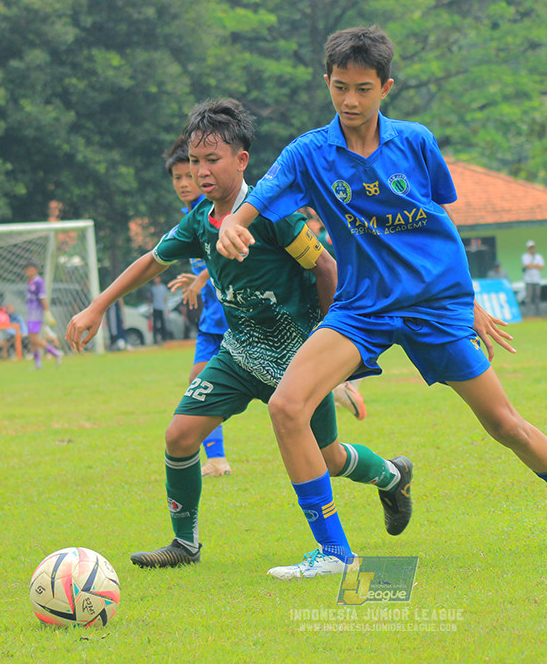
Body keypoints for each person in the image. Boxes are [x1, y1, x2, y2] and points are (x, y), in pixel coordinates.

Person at [217, 25, 547, 580]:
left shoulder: (416, 142)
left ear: (386, 87)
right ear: (326, 83)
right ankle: (334, 553)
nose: (349, 100)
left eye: (362, 88)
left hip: (435, 306)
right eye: (339, 87)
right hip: (362, 308)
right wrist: (233, 225)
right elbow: (259, 195)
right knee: (286, 407)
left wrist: (468, 299)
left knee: (504, 424)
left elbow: (441, 224)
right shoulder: (309, 152)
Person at [65, 98, 413, 570]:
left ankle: (389, 477)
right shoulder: (199, 221)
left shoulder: (272, 214)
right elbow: (152, 261)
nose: (200, 171)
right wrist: (98, 305)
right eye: (194, 160)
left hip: (297, 357)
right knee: (180, 436)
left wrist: (332, 341)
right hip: (240, 353)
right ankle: (185, 544)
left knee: (329, 458)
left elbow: (327, 266)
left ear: (241, 160)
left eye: (212, 160)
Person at [162, 135, 234, 478]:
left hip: (234, 314)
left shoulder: (216, 207)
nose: (183, 183)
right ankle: (217, 460)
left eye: (187, 175)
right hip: (212, 317)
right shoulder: (189, 214)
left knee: (281, 388)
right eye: (177, 178)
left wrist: (202, 278)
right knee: (199, 384)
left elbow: (225, 247)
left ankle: (334, 386)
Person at [25, 263, 64, 368]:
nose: (28, 271)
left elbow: (42, 297)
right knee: (31, 338)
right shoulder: (30, 282)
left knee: (33, 338)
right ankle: (38, 363)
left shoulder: (39, 282)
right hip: (31, 312)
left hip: (36, 313)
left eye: (30, 269)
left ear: (36, 270)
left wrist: (47, 312)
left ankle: (55, 353)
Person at [521, 240, 545, 315]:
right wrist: (535, 265)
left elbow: (541, 266)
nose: (532, 249)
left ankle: (538, 313)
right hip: (528, 280)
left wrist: (532, 265)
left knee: (537, 297)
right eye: (530, 248)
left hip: (536, 280)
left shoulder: (538, 256)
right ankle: (528, 314)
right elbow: (526, 265)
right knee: (529, 297)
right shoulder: (525, 256)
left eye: (533, 248)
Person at [149, 276, 170, 344]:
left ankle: (165, 338)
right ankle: (155, 339)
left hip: (162, 308)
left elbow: (165, 298)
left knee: (163, 323)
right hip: (155, 307)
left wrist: (166, 307)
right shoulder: (153, 288)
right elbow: (150, 299)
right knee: (155, 324)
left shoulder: (163, 288)